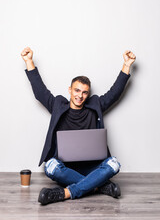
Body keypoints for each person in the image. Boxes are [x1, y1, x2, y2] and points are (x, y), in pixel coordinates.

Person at [21, 47, 136, 205]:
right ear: (70, 90)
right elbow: (40, 91)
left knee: (114, 164)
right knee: (51, 167)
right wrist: (29, 61)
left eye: (84, 92)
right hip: (65, 168)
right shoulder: (58, 105)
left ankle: (67, 193)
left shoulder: (95, 105)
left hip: (92, 167)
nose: (80, 96)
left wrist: (127, 65)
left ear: (88, 94)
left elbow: (114, 93)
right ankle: (99, 187)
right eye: (77, 90)